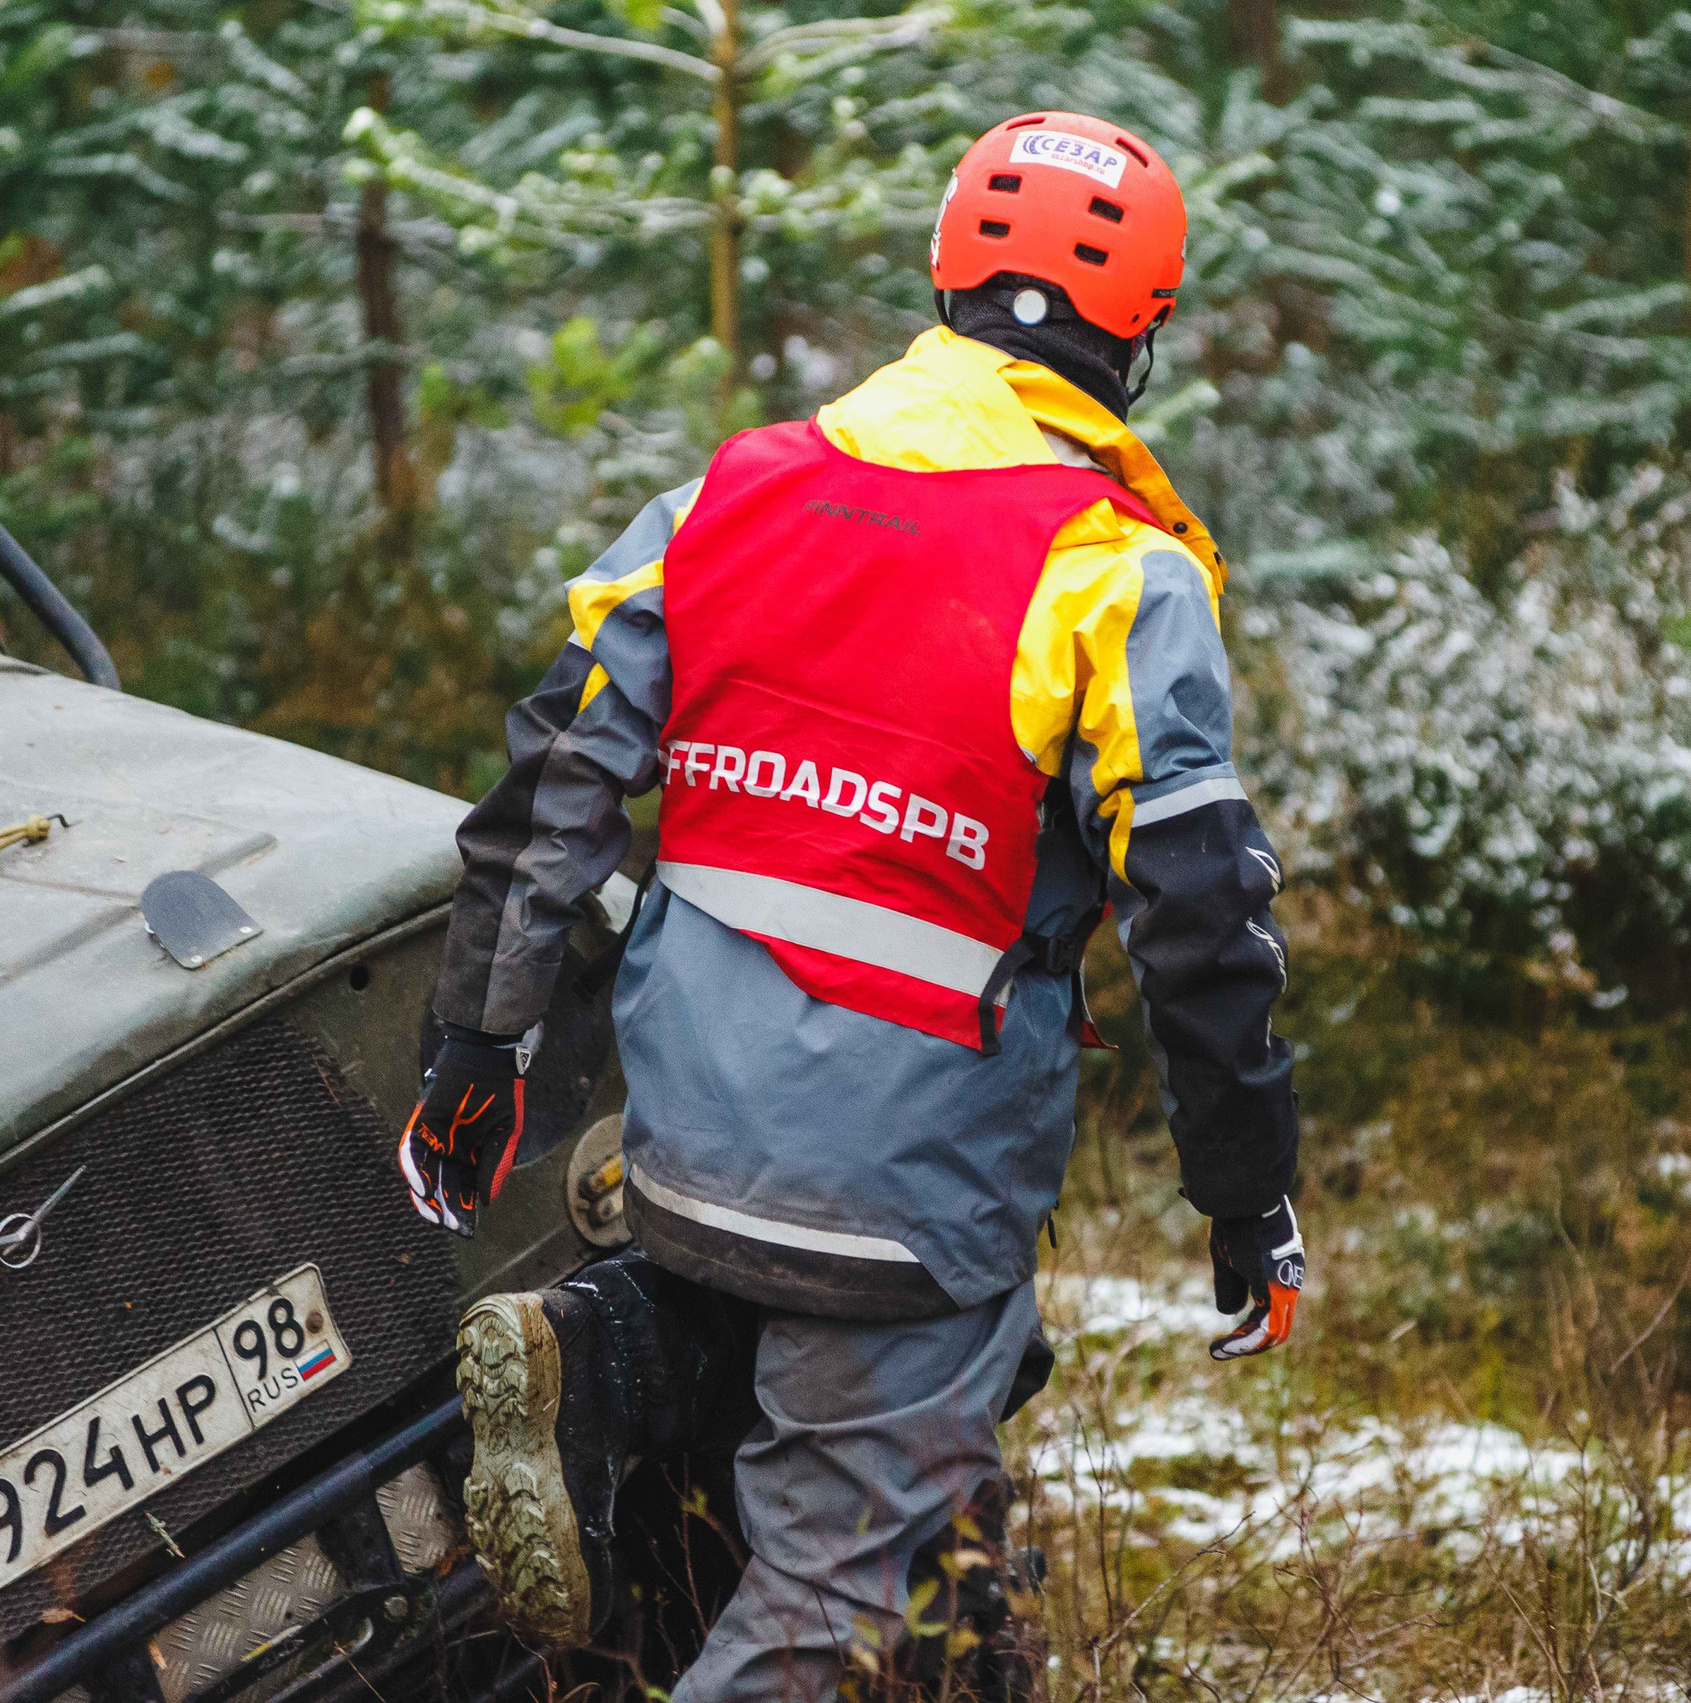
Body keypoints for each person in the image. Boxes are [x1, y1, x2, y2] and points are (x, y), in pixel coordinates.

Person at [400, 110, 1306, 1701]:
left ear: (946, 269)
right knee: (830, 1609)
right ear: (1141, 334)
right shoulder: (1112, 574)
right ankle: (640, 1381)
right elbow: (1200, 921)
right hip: (910, 1192)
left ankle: (622, 1355)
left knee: (896, 1475)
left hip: (682, 1143)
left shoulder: (730, 494)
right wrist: (1245, 1196)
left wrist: (477, 1058)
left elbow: (553, 785)